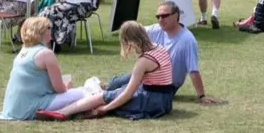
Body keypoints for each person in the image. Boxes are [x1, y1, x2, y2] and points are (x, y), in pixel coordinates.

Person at [35, 21, 175, 121]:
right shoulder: (159, 48)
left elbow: (128, 93)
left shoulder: (144, 61)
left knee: (103, 97)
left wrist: (106, 108)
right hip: (164, 100)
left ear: (130, 40)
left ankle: (61, 113)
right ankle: (83, 108)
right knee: (114, 90)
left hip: (151, 102)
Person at [0, 17, 85, 120]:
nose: (51, 30)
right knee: (85, 92)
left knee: (80, 93)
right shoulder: (45, 53)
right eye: (48, 27)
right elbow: (59, 89)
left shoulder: (23, 51)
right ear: (40, 31)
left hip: (13, 109)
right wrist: (67, 86)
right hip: (32, 107)